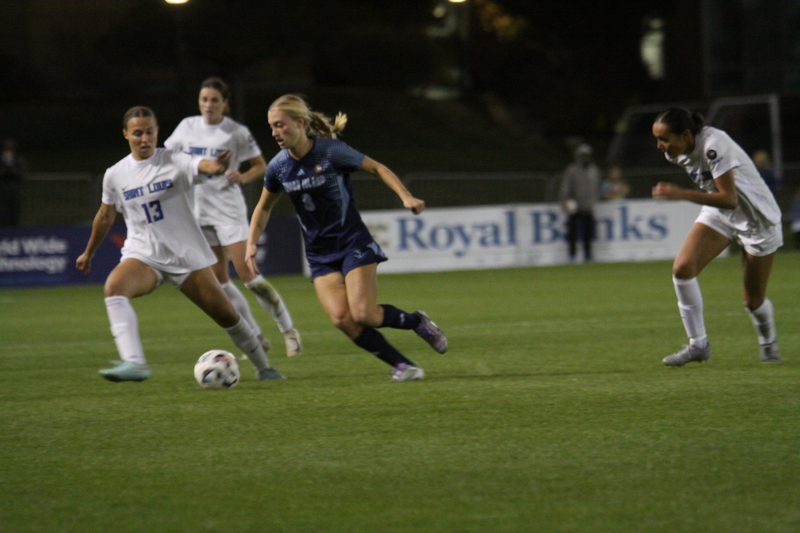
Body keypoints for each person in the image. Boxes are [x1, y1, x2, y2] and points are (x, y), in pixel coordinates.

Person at [245, 94, 448, 382]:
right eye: (271, 127)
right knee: (342, 319)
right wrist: (251, 241)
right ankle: (404, 366)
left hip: (352, 242)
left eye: (280, 125)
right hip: (319, 254)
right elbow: (263, 207)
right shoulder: (278, 167)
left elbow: (377, 167)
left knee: (363, 314)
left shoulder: (330, 152)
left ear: (300, 123)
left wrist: (406, 196)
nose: (275, 132)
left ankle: (417, 321)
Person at [76, 106, 283, 382]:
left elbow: (201, 166)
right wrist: (89, 252)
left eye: (149, 132)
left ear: (157, 131)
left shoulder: (173, 159)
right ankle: (135, 363)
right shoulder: (115, 174)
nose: (144, 138)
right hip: (144, 256)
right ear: (126, 134)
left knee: (228, 316)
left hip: (186, 258)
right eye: (137, 133)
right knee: (114, 287)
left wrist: (217, 167)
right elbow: (105, 215)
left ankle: (263, 367)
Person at [164, 77, 301, 358]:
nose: (208, 105)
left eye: (215, 100)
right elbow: (168, 159)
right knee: (220, 281)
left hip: (228, 211)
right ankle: (257, 337)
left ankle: (288, 330)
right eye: (204, 99)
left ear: (225, 104)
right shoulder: (186, 127)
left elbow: (259, 166)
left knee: (250, 276)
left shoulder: (236, 132)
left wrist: (242, 176)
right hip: (198, 212)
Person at [651, 107, 783, 366]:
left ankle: (768, 343)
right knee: (682, 269)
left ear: (687, 135)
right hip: (720, 213)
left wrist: (682, 194)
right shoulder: (676, 152)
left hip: (757, 221)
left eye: (664, 139)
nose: (659, 145)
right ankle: (698, 345)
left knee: (753, 301)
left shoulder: (714, 145)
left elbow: (730, 198)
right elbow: (722, 201)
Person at [558, 143, 601, 262]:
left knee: (588, 233)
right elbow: (566, 186)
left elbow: (597, 187)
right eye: (583, 155)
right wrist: (564, 199)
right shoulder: (572, 170)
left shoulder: (594, 170)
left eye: (586, 155)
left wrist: (595, 200)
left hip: (588, 206)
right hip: (575, 205)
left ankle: (588, 255)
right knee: (573, 233)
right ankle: (572, 255)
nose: (585, 158)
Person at [0, 138, 25, 226]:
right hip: (3, 187)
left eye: (10, 148)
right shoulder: (1, 159)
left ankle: (14, 227)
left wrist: (15, 171)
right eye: (7, 148)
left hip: (14, 186)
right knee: (3, 208)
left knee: (14, 209)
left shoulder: (17, 160)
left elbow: (21, 172)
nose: (9, 150)